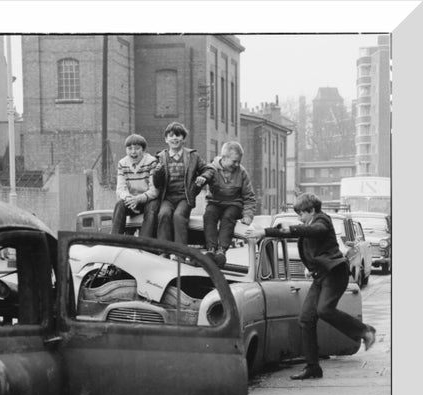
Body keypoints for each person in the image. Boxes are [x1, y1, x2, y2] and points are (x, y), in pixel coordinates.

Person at [245, 192, 376, 380]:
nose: (300, 218)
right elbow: (312, 245)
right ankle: (313, 367)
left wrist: (266, 231)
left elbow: (314, 231)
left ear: (312, 210)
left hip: (335, 274)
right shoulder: (311, 224)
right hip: (321, 276)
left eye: (302, 214)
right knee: (306, 319)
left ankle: (365, 331)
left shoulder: (322, 221)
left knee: (324, 310)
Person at [153, 122, 213, 245]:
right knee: (163, 215)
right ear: (166, 139)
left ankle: (181, 253)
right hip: (167, 198)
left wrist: (203, 177)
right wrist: (157, 173)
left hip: (185, 197)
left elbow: (209, 169)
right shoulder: (160, 157)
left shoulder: (193, 156)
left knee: (179, 216)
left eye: (178, 135)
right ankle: (164, 250)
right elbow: (157, 184)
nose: (174, 138)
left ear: (184, 139)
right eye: (171, 135)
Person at [203, 141, 256, 268]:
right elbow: (202, 177)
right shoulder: (212, 169)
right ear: (224, 157)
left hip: (234, 204)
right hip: (215, 202)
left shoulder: (242, 172)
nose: (237, 164)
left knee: (228, 216)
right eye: (234, 161)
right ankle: (211, 248)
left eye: (239, 161)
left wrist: (248, 216)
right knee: (209, 214)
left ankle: (222, 250)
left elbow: (249, 197)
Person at [111, 134, 159, 237]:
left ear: (143, 150)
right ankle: (115, 240)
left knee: (152, 209)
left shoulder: (152, 162)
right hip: (132, 200)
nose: (133, 152)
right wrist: (129, 199)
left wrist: (138, 199)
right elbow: (120, 188)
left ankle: (144, 243)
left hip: (148, 200)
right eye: (130, 148)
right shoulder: (122, 163)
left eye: (137, 148)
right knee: (120, 205)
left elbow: (154, 190)